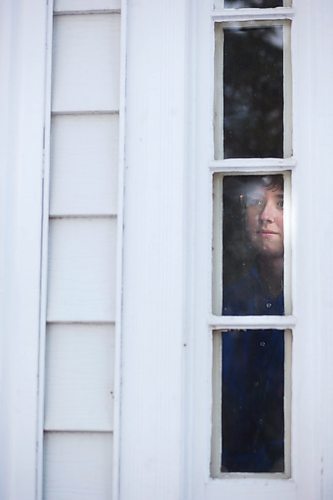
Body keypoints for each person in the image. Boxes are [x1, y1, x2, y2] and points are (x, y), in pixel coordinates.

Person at [221, 175, 285, 473]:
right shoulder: (225, 303)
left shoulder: (319, 305)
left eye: (281, 204)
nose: (265, 216)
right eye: (257, 203)